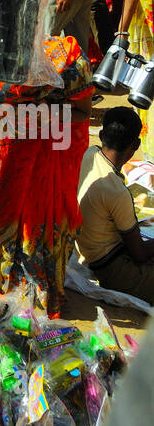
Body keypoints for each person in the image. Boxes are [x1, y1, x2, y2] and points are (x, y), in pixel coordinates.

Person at [0, 35, 95, 318]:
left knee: (47, 216)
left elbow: (83, 113)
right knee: (12, 208)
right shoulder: (6, 59)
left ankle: (41, 288)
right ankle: (4, 279)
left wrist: (40, 113)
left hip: (56, 152)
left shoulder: (71, 65)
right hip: (22, 148)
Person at [77, 107, 154, 303]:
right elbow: (140, 253)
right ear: (135, 144)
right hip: (110, 269)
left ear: (101, 135)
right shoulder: (116, 192)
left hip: (83, 249)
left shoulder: (89, 153)